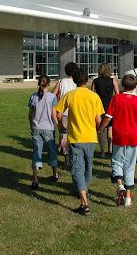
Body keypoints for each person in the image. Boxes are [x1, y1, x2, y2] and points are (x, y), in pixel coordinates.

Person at [53, 67, 105, 216]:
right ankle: (84, 193)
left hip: (76, 137)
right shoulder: (94, 96)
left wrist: (61, 126)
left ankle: (85, 202)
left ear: (75, 80)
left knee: (77, 169)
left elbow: (58, 113)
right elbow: (98, 119)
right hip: (91, 137)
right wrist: (96, 128)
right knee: (88, 167)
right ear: (87, 80)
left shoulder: (70, 95)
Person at [98, 74, 137, 207]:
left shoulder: (116, 99)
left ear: (122, 86)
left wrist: (100, 128)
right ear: (135, 86)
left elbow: (107, 117)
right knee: (130, 166)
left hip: (119, 135)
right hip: (133, 136)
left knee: (117, 161)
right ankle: (128, 197)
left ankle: (120, 185)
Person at [28, 75, 60, 190]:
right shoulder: (52, 97)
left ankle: (35, 179)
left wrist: (31, 125)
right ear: (49, 84)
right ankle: (55, 174)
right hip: (48, 129)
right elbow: (53, 115)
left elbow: (30, 114)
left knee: (36, 153)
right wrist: (59, 126)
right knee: (52, 152)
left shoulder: (33, 97)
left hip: (36, 127)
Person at [52, 62, 78, 169]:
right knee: (73, 135)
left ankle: (66, 157)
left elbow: (53, 94)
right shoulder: (77, 82)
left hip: (63, 112)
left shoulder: (61, 81)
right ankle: (71, 157)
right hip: (75, 112)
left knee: (63, 134)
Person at [91, 63, 119, 157]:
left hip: (99, 107)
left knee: (101, 129)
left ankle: (102, 151)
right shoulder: (113, 81)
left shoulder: (95, 81)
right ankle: (110, 149)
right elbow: (117, 95)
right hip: (111, 107)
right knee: (110, 128)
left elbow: (92, 95)